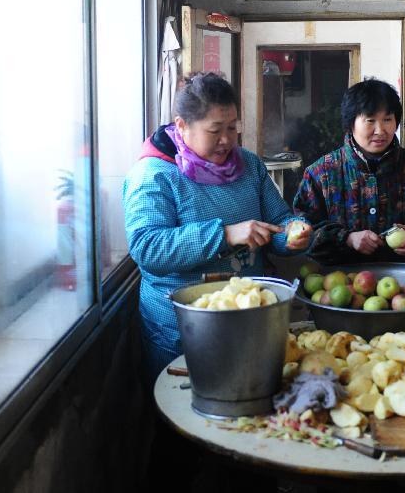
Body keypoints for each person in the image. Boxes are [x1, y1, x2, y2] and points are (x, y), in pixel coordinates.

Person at [124, 73, 312, 384]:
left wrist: (294, 234)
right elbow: (147, 247)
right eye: (215, 131)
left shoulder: (249, 165)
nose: (226, 140)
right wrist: (224, 235)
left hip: (249, 316)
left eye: (232, 128)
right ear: (182, 125)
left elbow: (278, 220)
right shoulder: (153, 175)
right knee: (186, 413)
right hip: (182, 327)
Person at [293, 79, 405, 266]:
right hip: (339, 286)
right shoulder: (320, 173)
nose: (380, 130)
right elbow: (301, 233)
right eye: (370, 120)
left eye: (387, 120)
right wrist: (347, 238)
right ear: (351, 124)